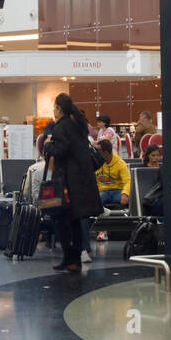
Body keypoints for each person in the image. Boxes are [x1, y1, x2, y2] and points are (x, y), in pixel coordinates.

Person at [43, 93, 102, 272]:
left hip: (66, 182)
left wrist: (47, 145)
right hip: (81, 181)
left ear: (59, 109)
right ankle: (73, 259)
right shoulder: (78, 125)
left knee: (59, 219)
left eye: (54, 107)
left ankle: (69, 257)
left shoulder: (60, 127)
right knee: (75, 221)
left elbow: (60, 150)